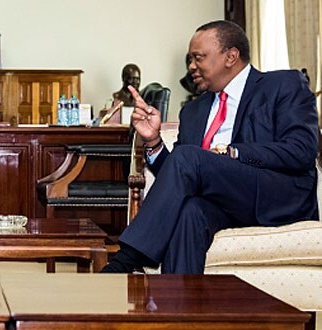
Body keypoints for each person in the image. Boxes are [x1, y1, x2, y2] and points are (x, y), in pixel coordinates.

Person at [102, 20, 318, 274]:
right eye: (190, 59)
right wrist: (153, 141)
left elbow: (302, 150)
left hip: (275, 195)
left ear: (231, 56)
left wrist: (234, 152)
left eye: (198, 58)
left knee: (188, 158)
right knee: (189, 211)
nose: (191, 66)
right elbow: (178, 178)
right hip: (221, 202)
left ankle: (124, 261)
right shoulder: (194, 110)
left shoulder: (282, 84)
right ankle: (178, 310)